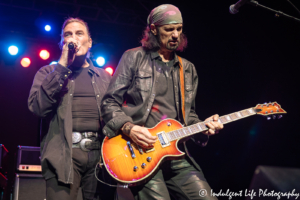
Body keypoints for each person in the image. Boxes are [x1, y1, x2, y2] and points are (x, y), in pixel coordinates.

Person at [101, 4, 223, 200]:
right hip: (140, 151)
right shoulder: (133, 58)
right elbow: (109, 103)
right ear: (153, 29)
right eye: (169, 29)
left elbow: (188, 115)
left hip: (176, 155)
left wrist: (204, 126)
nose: (176, 35)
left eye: (179, 29)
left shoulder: (188, 69)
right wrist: (129, 128)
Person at [28, 17, 115, 200]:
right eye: (68, 35)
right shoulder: (47, 73)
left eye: (79, 33)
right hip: (63, 156)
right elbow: (38, 108)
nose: (73, 38)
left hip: (101, 157)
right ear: (62, 43)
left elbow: (116, 113)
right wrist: (61, 67)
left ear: (89, 42)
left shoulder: (104, 77)